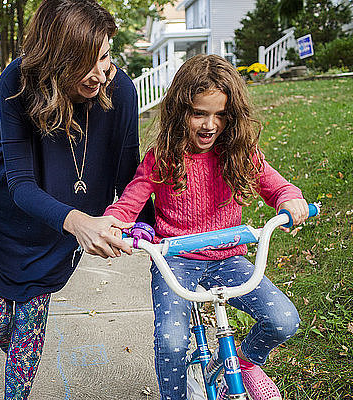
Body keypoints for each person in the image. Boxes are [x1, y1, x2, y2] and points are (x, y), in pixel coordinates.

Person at [0, 0, 153, 398]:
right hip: (4, 208)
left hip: (60, 214)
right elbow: (19, 183)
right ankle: (19, 352)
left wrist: (155, 226)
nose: (99, 74)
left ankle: (18, 383)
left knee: (29, 323)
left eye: (104, 57)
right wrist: (80, 223)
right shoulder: (17, 82)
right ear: (54, 62)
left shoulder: (119, 89)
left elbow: (128, 170)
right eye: (83, 64)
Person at [104, 54, 310, 400]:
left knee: (283, 319)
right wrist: (113, 224)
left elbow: (276, 186)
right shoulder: (164, 157)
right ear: (181, 111)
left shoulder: (241, 152)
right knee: (171, 341)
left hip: (229, 258)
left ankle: (238, 364)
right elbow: (131, 201)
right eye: (199, 113)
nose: (209, 124)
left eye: (220, 114)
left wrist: (289, 199)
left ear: (233, 116)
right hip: (177, 261)